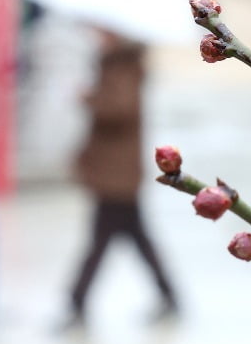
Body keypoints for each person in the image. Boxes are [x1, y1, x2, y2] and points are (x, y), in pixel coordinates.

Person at [67, 30, 177, 325]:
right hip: (115, 171)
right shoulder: (112, 63)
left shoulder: (123, 66)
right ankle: (170, 297)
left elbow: (121, 109)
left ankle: (76, 304)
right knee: (136, 238)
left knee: (100, 240)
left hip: (118, 174)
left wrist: (89, 97)